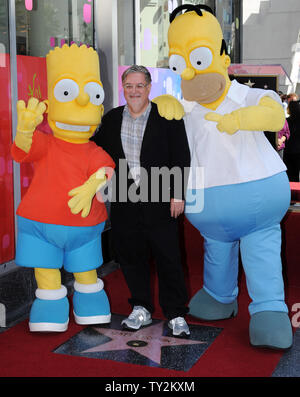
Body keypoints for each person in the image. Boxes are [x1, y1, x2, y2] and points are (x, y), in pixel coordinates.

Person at [91, 65, 191, 336]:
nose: (134, 91)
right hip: (125, 199)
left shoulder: (167, 117)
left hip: (160, 197)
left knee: (168, 256)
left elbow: (181, 157)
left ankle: (176, 313)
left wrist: (178, 193)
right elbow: (95, 150)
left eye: (139, 86)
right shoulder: (111, 119)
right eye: (129, 86)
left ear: (149, 88)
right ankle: (141, 308)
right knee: (131, 256)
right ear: (123, 89)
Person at [284, 100, 300, 181]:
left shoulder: (287, 121)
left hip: (288, 149)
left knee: (289, 173)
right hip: (297, 149)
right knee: (296, 173)